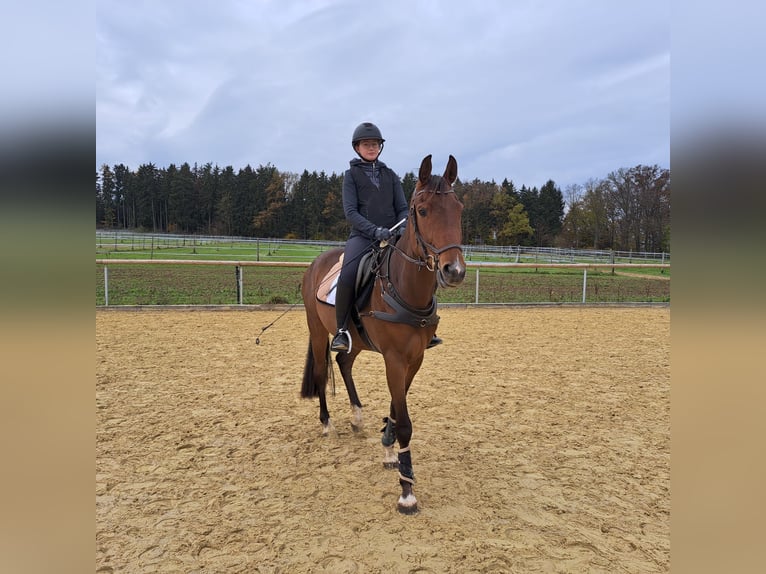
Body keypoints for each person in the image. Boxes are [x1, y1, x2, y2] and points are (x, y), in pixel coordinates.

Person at [331, 122, 443, 353]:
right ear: (357, 148)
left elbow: (403, 207)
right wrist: (374, 231)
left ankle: (427, 325)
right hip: (363, 237)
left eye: (374, 144)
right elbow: (351, 212)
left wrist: (400, 228)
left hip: (393, 235)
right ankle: (342, 331)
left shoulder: (390, 175)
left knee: (423, 269)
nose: (371, 148)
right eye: (366, 144)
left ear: (380, 147)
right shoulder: (351, 176)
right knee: (348, 274)